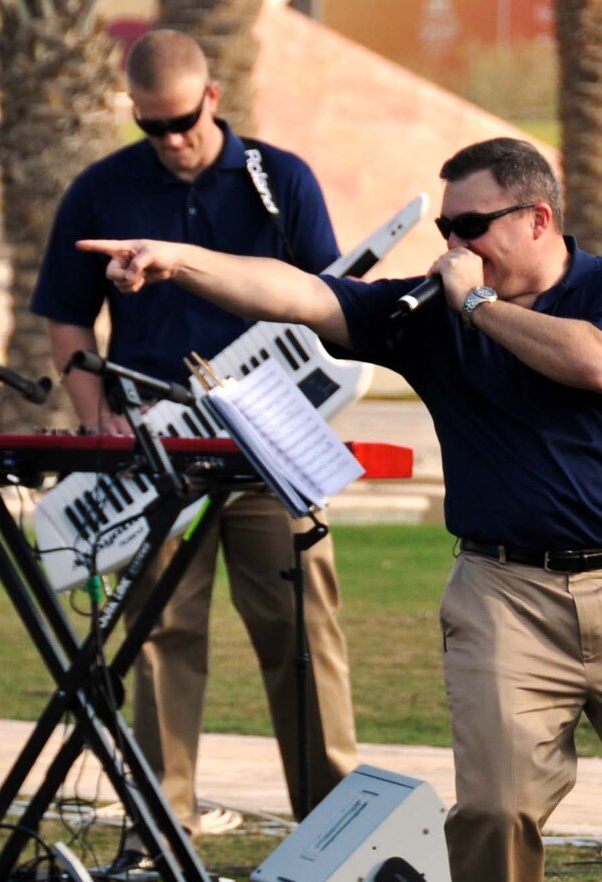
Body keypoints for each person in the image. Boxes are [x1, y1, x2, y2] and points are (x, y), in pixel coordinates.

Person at [73, 137, 602, 882]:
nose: (453, 243)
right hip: (501, 591)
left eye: (472, 226)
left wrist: (477, 304)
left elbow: (599, 367)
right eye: (446, 228)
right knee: (494, 808)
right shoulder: (427, 314)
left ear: (538, 218)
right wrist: (179, 262)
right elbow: (301, 293)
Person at [30, 30, 358, 829]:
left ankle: (334, 827)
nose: (171, 140)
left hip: (269, 438)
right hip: (153, 443)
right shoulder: (101, 189)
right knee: (161, 638)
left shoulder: (278, 180)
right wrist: (96, 416)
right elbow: (66, 316)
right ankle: (160, 828)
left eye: (181, 120)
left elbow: (334, 302)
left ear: (213, 96)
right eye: (151, 126)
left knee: (304, 633)